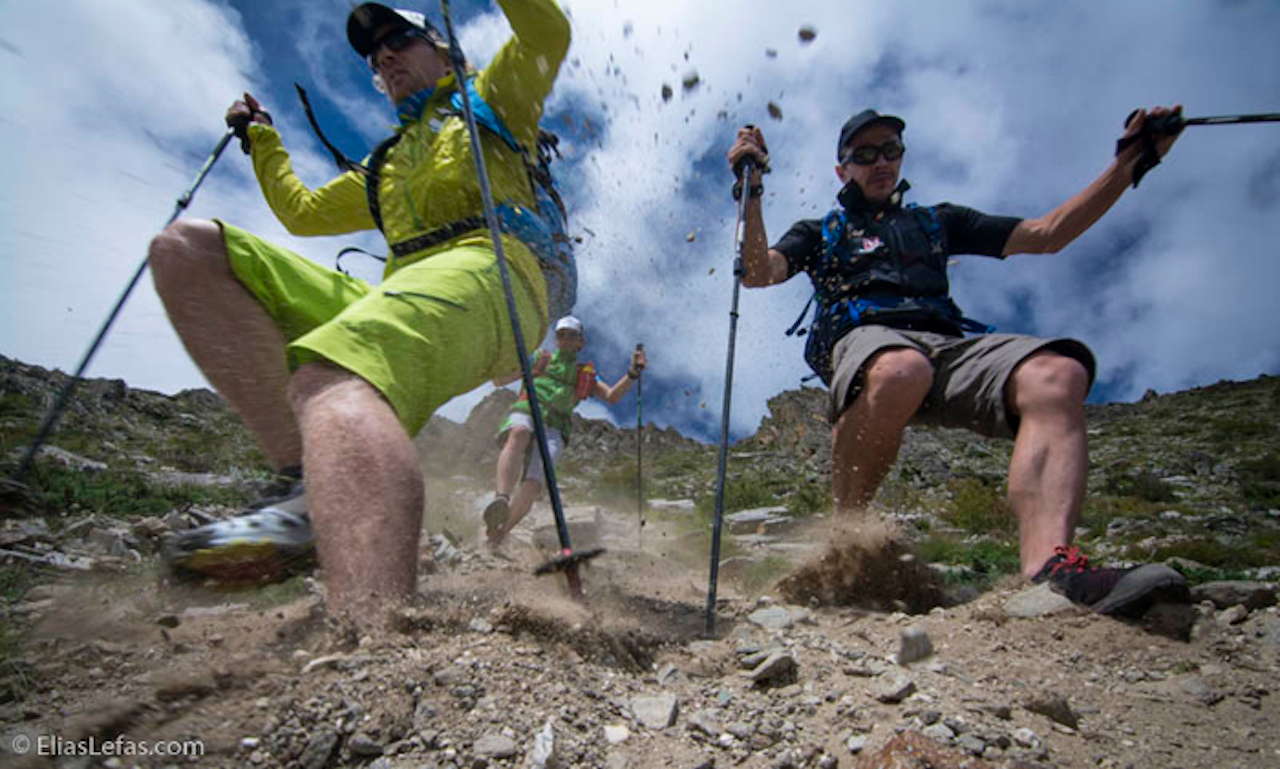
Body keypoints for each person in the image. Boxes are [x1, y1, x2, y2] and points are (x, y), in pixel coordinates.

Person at [151, 1, 571, 626]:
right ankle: (306, 483)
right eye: (376, 59)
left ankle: (373, 637)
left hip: (498, 269)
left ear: (448, 51)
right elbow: (300, 212)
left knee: (334, 375)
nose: (385, 57)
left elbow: (547, 29)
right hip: (406, 286)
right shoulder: (386, 166)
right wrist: (261, 137)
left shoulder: (494, 98)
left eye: (399, 39)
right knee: (187, 252)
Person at [725, 107, 1192, 617]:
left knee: (1058, 375)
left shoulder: (938, 221)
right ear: (843, 170)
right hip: (869, 342)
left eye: (890, 150)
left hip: (945, 344)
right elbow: (757, 271)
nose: (880, 161)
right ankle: (849, 534)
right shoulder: (821, 231)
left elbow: (1048, 234)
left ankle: (1051, 570)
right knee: (902, 369)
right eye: (864, 154)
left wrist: (1131, 161)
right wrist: (751, 189)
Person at [484, 316, 647, 546]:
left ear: (581, 342)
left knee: (535, 484)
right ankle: (501, 498)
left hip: (556, 426)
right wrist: (503, 356)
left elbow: (612, 396)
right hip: (528, 409)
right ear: (557, 338)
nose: (566, 339)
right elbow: (499, 381)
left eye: (572, 335)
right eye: (562, 334)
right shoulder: (539, 359)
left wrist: (632, 374)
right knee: (519, 432)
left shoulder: (585, 374)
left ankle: (500, 532)